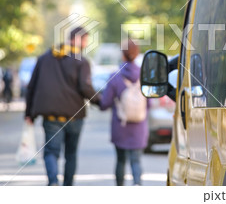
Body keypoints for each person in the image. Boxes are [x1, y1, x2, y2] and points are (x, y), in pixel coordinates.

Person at [24, 27, 100, 186]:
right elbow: (86, 88)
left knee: (51, 152)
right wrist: (101, 101)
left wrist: (29, 113)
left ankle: (53, 182)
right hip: (74, 116)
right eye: (85, 40)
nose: (86, 44)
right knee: (70, 154)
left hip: (50, 117)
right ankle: (67, 187)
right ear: (78, 39)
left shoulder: (45, 58)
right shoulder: (81, 61)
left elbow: (32, 86)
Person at [99, 39, 149, 186]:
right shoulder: (144, 75)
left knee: (121, 160)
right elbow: (149, 102)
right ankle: (137, 185)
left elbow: (106, 103)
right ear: (137, 53)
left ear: (123, 55)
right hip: (139, 125)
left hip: (120, 124)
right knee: (136, 159)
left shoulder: (115, 76)